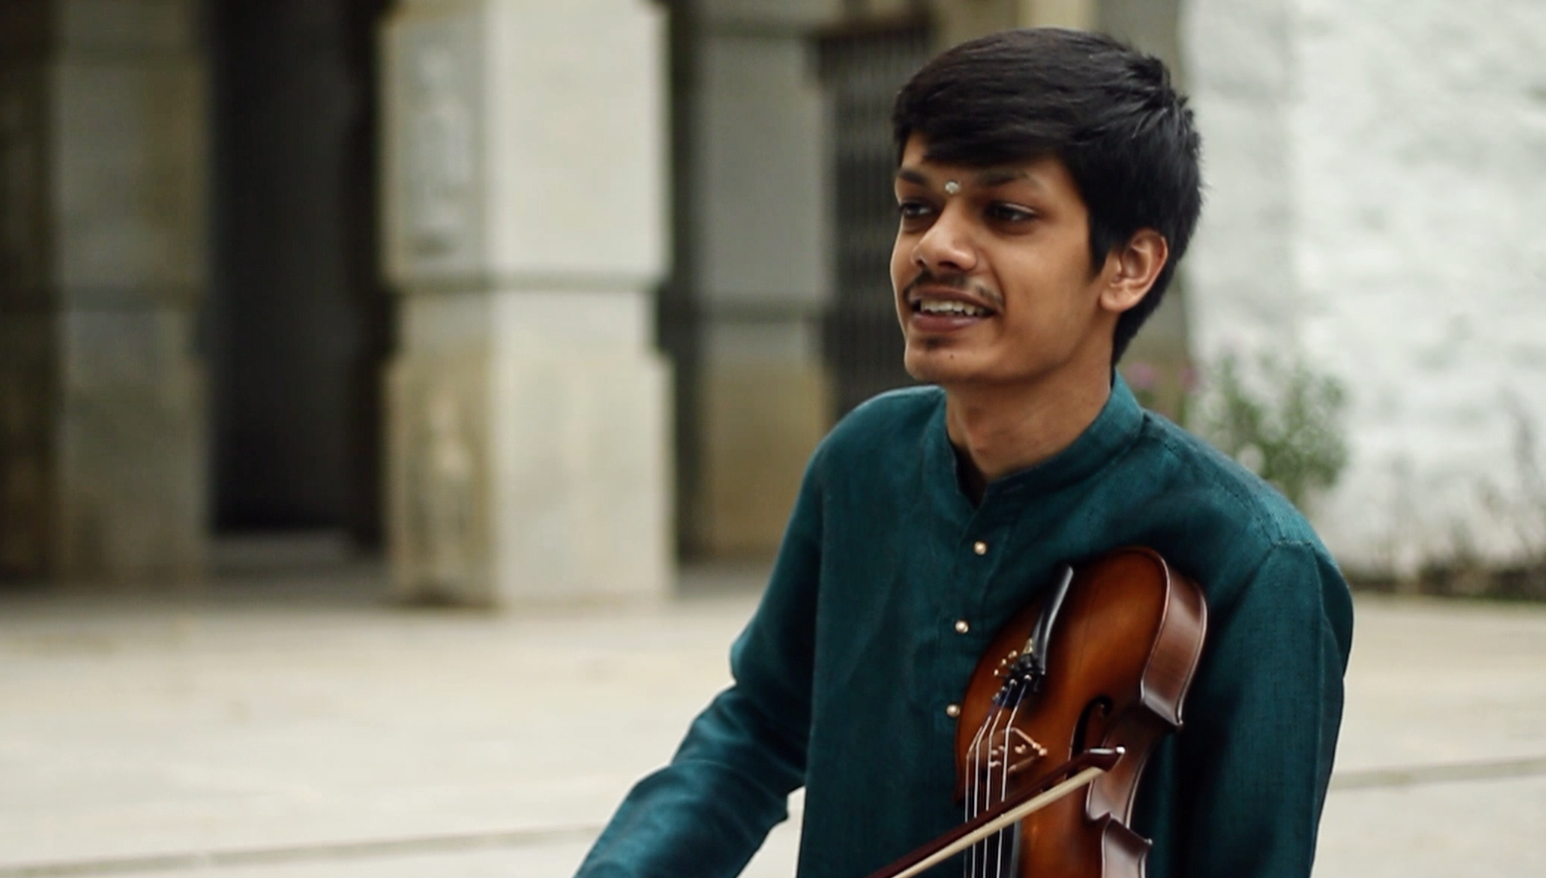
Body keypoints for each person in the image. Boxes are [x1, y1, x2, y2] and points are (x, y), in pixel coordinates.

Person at [575, 27, 1353, 878]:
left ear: (1127, 266)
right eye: (917, 207)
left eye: (1005, 213)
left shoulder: (1255, 565)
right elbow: (758, 728)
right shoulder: (861, 464)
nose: (935, 246)